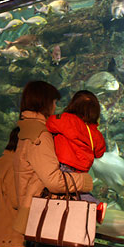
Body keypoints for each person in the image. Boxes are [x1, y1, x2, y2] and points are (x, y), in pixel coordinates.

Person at [13, 81, 94, 247]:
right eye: (54, 102)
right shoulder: (40, 134)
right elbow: (54, 181)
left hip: (33, 209)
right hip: (45, 211)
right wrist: (85, 181)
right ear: (45, 102)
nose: (55, 107)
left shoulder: (25, 129)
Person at [46, 90, 107, 223]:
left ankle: (95, 206)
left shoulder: (65, 119)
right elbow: (100, 152)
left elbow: (50, 123)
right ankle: (96, 206)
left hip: (63, 164)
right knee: (78, 192)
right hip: (82, 170)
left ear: (72, 105)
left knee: (63, 190)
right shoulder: (94, 133)